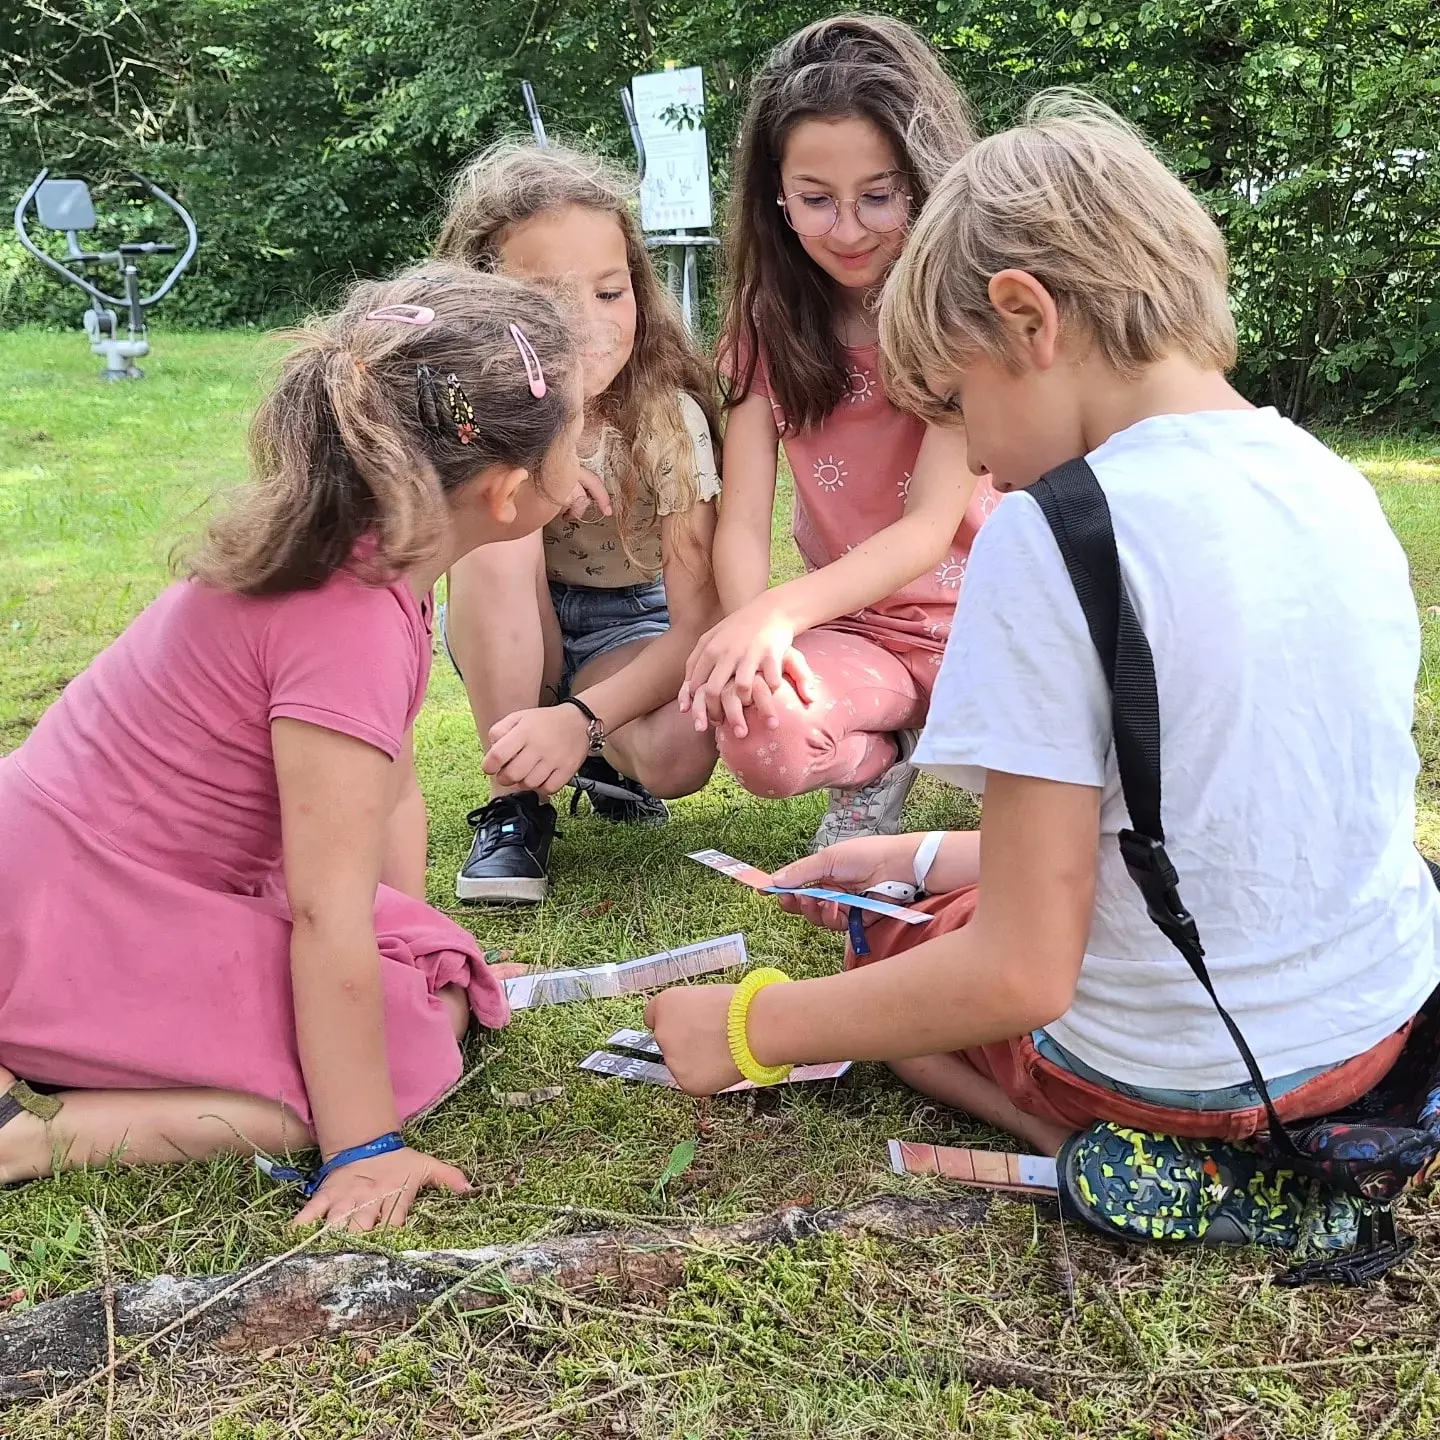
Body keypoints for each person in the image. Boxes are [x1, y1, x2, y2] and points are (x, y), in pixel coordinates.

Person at [645, 92, 1440, 1159]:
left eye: (958, 401)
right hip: (1378, 1028)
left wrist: (750, 1029)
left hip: (1185, 1079)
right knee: (936, 913)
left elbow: (1018, 974)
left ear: (1027, 319)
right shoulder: (1328, 480)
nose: (973, 457)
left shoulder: (1056, 530)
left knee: (892, 972)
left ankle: (1070, 1142)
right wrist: (918, 851)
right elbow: (1218, 828)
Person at [0, 265, 584, 1229]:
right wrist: (364, 1148)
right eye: (578, 430)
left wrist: (409, 946)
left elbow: (387, 798)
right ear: (508, 490)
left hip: (96, 877)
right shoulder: (349, 621)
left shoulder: (363, 550)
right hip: (67, 916)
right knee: (405, 1054)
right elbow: (325, 913)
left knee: (440, 969)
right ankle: (25, 1135)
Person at [680, 15, 993, 852]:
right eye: (816, 201)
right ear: (776, 198)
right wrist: (755, 636)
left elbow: (930, 528)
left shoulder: (961, 312)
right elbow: (742, 521)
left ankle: (946, 739)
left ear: (927, 183)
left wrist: (778, 611)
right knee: (759, 733)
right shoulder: (765, 322)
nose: (848, 230)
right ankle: (880, 755)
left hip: (988, 632)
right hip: (855, 632)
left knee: (1072, 780)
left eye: (879, 196)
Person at [434, 142, 723, 904]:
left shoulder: (666, 419)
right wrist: (531, 481)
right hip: (506, 618)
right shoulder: (462, 407)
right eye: (545, 299)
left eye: (608, 291)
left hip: (627, 628)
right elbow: (404, 551)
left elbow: (699, 625)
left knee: (682, 750)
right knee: (496, 524)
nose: (586, 323)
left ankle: (591, 752)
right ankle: (514, 804)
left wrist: (584, 720)